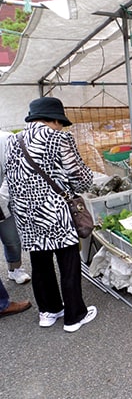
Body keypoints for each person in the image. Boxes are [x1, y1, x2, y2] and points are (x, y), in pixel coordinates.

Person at [4, 97, 97, 332]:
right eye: (60, 123)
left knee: (40, 263)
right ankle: (75, 316)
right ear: (54, 120)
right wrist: (88, 180)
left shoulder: (13, 141)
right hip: (54, 211)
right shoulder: (58, 138)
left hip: (26, 215)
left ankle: (49, 311)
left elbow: (11, 178)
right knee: (68, 262)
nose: (61, 127)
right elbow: (80, 177)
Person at [0, 130, 30, 285]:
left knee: (11, 238)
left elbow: (11, 172)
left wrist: (2, 198)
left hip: (2, 198)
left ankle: (14, 269)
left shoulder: (5, 139)